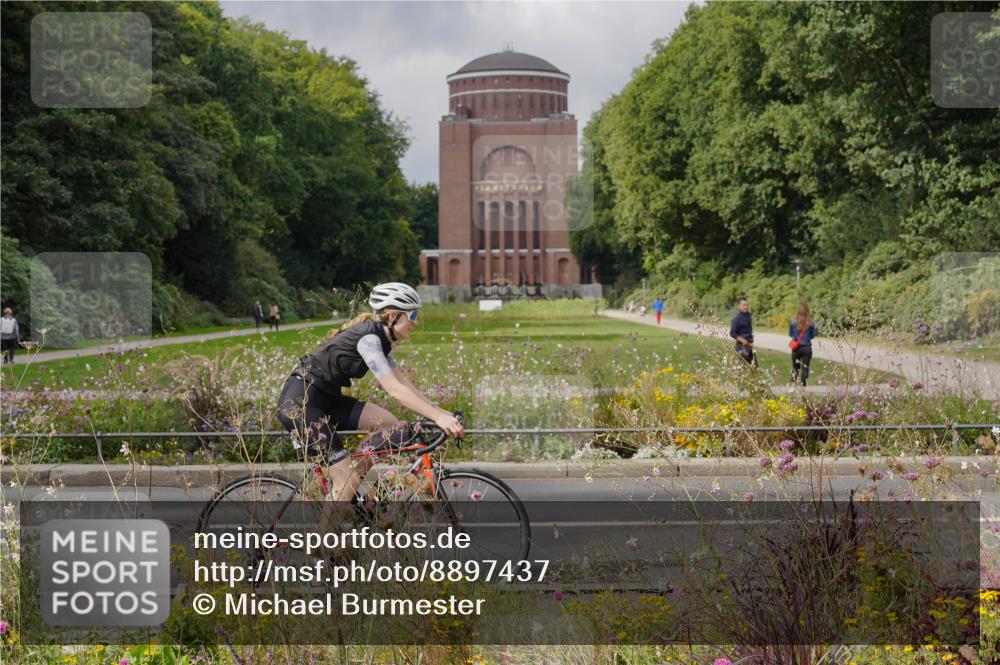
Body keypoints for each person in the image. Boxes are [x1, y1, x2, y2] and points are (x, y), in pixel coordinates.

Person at [276, 282, 464, 503]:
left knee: (390, 425)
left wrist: (441, 413)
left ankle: (351, 479)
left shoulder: (382, 341)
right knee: (346, 482)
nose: (416, 322)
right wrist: (438, 418)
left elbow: (405, 385)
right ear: (393, 315)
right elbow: (394, 390)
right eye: (412, 315)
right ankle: (326, 528)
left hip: (325, 400)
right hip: (301, 405)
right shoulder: (369, 339)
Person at [788, 303, 817, 386]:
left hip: (796, 348)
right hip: (807, 347)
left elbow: (790, 334)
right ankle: (803, 387)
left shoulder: (793, 321)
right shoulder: (811, 323)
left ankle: (793, 386)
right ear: (807, 311)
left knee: (795, 368)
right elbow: (812, 336)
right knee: (805, 368)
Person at [730, 296, 757, 366]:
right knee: (745, 369)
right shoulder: (736, 318)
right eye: (744, 305)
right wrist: (743, 340)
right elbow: (732, 333)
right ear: (739, 306)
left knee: (755, 368)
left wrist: (750, 340)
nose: (746, 307)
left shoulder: (748, 316)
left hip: (749, 346)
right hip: (741, 347)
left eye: (747, 305)